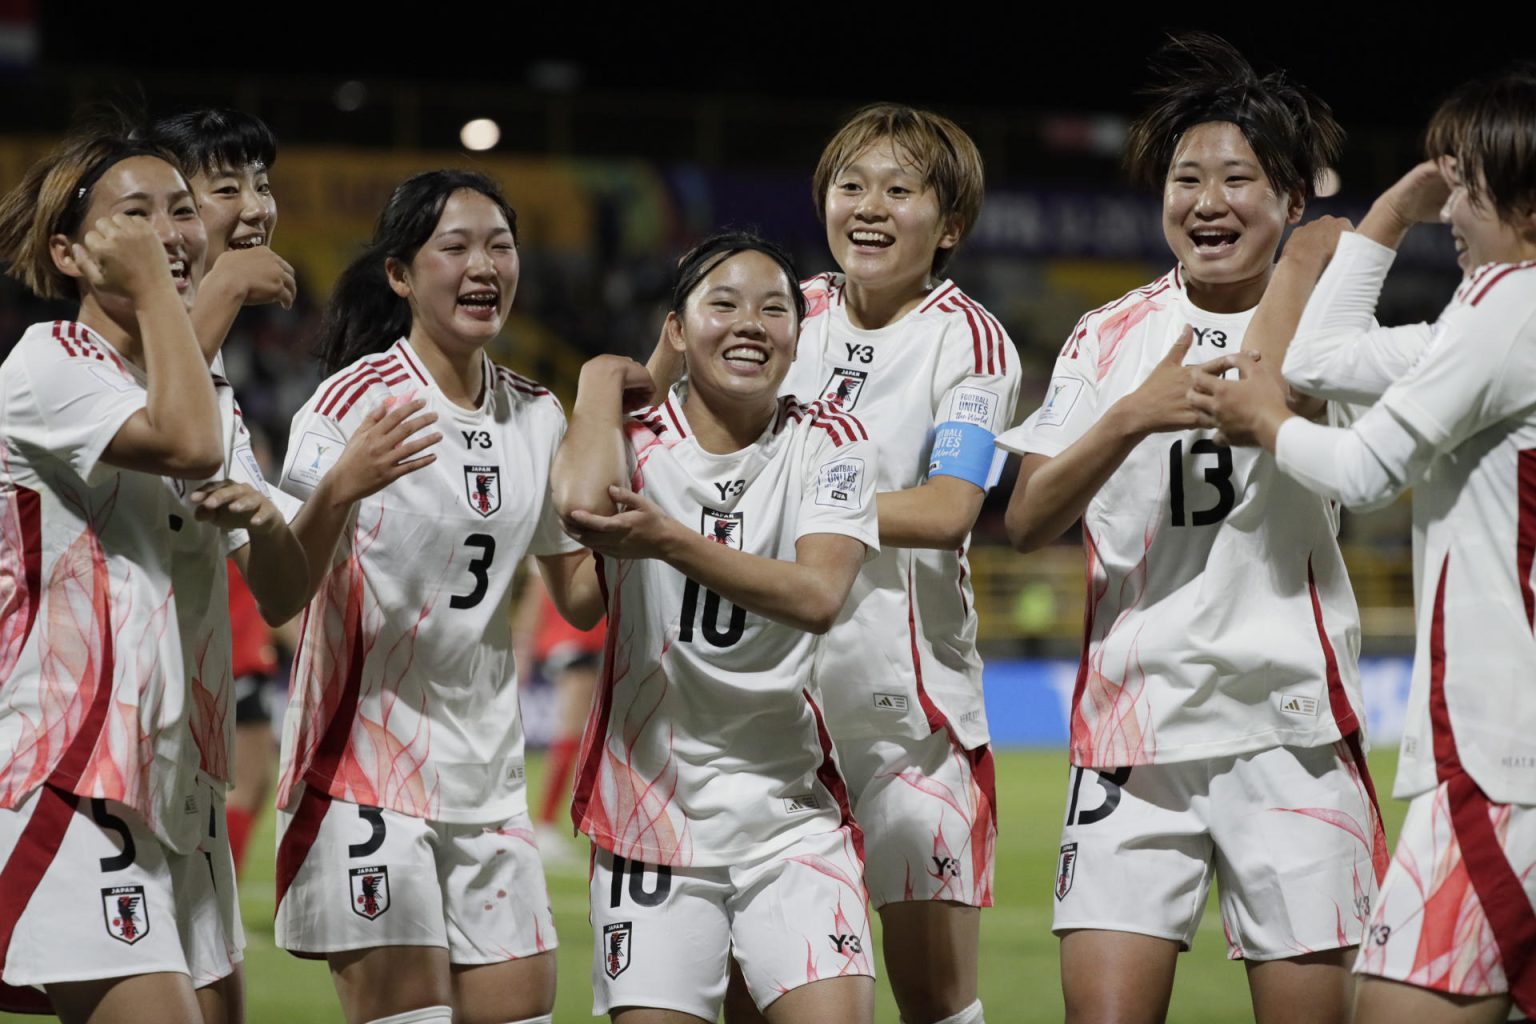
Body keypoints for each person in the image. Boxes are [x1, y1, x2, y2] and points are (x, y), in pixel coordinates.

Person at [998, 34, 1384, 1024]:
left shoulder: (1332, 333)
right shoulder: (1109, 334)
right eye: (1185, 179)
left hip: (1288, 733)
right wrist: (1134, 412)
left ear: (1290, 199)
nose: (1206, 201)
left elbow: (1342, 261)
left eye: (1237, 179)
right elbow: (1031, 516)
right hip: (1137, 735)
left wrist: (1305, 267)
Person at [647, 103, 1021, 1024]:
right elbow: (661, 411)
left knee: (935, 1001)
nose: (870, 206)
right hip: (773, 726)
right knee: (761, 1000)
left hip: (906, 725)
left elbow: (950, 508)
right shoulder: (784, 309)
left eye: (901, 190)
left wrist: (798, 515)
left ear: (951, 227)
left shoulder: (968, 340)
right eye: (852, 185)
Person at [1189, 66, 1536, 1024]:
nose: (1450, 206)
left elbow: (1361, 470)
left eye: (1465, 183)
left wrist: (1263, 422)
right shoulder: (1495, 315)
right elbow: (1323, 360)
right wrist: (1386, 215)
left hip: (1502, 759)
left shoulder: (1510, 305)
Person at [273, 169, 601, 1024]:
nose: (482, 265)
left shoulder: (538, 415)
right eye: (454, 247)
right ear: (400, 274)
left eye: (499, 245)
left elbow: (584, 598)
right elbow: (280, 589)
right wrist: (339, 487)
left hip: (488, 783)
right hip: (363, 776)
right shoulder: (349, 407)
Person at [0, 118, 307, 1024]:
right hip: (74, 769)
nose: (168, 231)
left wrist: (345, 484)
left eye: (181, 210)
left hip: (182, 787)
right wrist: (178, 292)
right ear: (70, 251)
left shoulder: (203, 390)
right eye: (135, 214)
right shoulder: (46, 363)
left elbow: (284, 590)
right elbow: (180, 438)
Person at [555, 232, 879, 1024]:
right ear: (676, 329)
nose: (751, 324)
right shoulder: (630, 445)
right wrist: (601, 385)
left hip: (788, 817)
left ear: (799, 339)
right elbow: (579, 564)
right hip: (650, 820)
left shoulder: (831, 438)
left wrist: (669, 538)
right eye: (723, 304)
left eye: (775, 309)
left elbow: (818, 595)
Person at [151, 107, 296, 874]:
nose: (257, 206)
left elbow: (278, 589)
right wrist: (232, 283)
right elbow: (150, 418)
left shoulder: (219, 388)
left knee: (215, 993)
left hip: (187, 741)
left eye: (263, 186)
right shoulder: (78, 347)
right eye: (226, 187)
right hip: (97, 739)